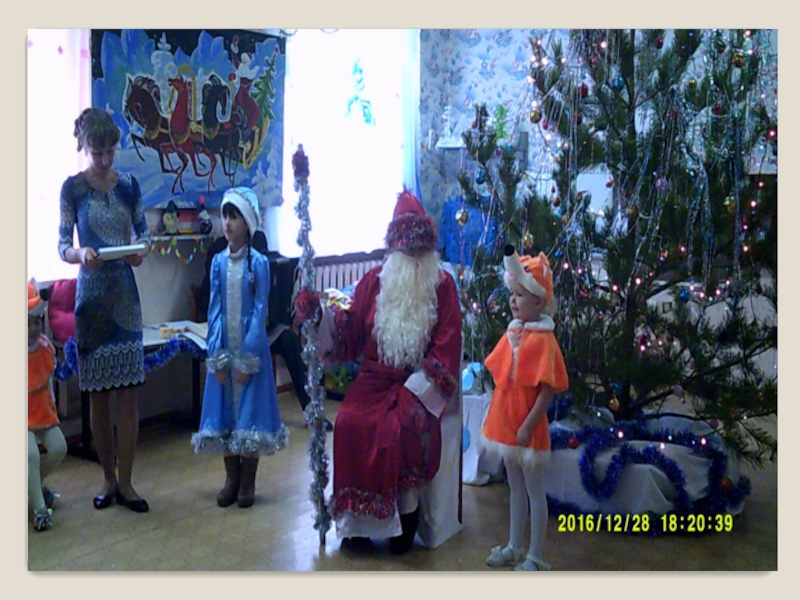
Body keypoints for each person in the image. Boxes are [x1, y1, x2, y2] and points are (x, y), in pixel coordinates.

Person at [295, 189, 462, 555]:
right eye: (407, 250)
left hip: (415, 383)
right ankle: (356, 525)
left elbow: (447, 346)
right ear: (395, 249)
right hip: (372, 381)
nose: (414, 257)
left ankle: (405, 519)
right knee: (349, 421)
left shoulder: (442, 286)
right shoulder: (374, 281)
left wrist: (418, 390)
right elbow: (349, 332)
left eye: (420, 250)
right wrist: (318, 316)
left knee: (399, 428)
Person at [59, 107, 151, 513]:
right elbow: (63, 245)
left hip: (125, 297)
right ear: (85, 148)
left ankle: (127, 482)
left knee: (128, 394)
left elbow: (144, 234)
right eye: (97, 153)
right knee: (98, 395)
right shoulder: (72, 189)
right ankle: (108, 479)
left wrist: (140, 251)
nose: (104, 159)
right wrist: (81, 254)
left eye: (110, 151)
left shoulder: (129, 186)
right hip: (92, 300)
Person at [192, 187, 289, 508]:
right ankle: (231, 478)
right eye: (225, 216)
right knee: (226, 414)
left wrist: (248, 356)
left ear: (247, 223)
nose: (227, 223)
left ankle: (248, 480)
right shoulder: (218, 263)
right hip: (225, 348)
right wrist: (217, 355)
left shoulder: (258, 263)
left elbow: (260, 310)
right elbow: (214, 309)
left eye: (234, 217)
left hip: (249, 351)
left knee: (250, 415)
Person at [481, 245, 569, 571]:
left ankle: (535, 555)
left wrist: (528, 425)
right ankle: (514, 546)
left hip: (527, 427)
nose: (513, 301)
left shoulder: (544, 340)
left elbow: (547, 390)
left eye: (521, 295)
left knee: (533, 490)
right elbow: (503, 377)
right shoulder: (514, 332)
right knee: (514, 487)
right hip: (507, 423)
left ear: (540, 301)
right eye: (512, 294)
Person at [195, 231, 334, 432]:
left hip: (260, 328)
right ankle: (229, 420)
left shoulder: (259, 244)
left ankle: (310, 410)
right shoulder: (218, 254)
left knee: (289, 340)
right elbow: (205, 299)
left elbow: (269, 291)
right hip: (229, 330)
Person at [28, 279, 67, 532]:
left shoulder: (45, 349)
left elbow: (49, 386)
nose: (33, 328)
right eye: (27, 322)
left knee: (59, 447)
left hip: (42, 413)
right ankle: (40, 510)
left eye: (37, 322)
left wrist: (52, 411)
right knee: (30, 454)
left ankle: (30, 487)